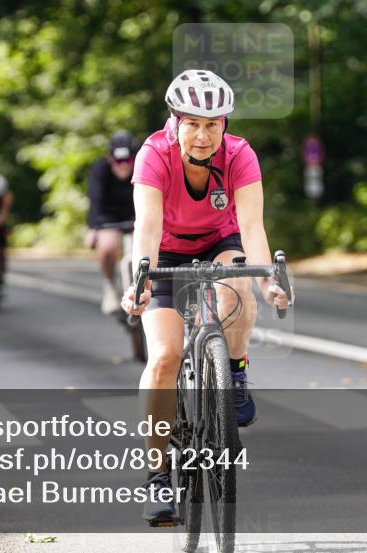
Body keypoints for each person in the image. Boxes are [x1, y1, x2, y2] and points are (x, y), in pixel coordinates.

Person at [120, 69, 292, 524]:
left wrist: (267, 280)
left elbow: (252, 227)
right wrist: (139, 284)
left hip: (220, 243)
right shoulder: (153, 155)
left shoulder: (240, 155)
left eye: (212, 123)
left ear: (225, 125)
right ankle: (158, 475)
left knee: (238, 279)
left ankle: (234, 372)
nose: (202, 134)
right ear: (173, 121)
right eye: (191, 123)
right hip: (166, 252)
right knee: (163, 359)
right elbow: (148, 228)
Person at [85, 131, 137, 314]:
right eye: (118, 161)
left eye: (128, 161)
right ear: (110, 159)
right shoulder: (100, 169)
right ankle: (109, 286)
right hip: (109, 217)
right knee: (107, 246)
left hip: (136, 214)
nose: (123, 166)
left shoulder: (144, 165)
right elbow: (95, 200)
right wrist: (92, 229)